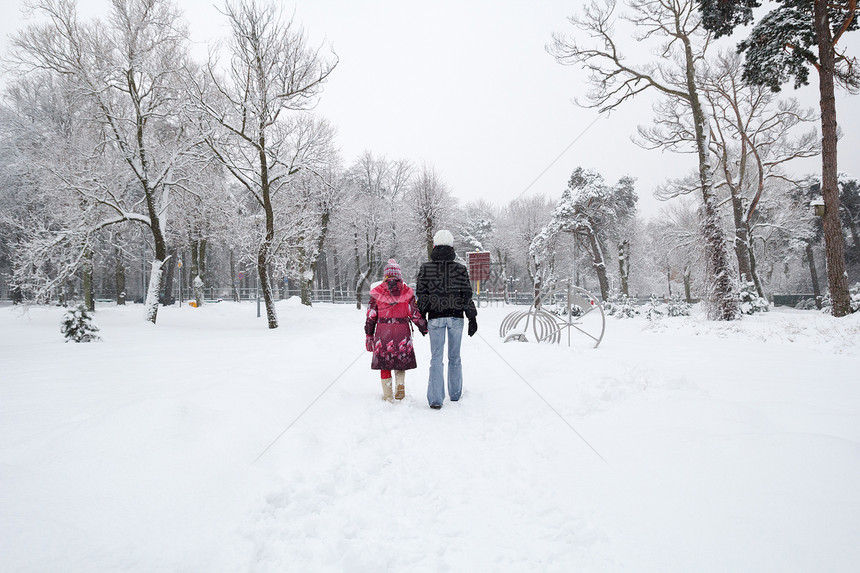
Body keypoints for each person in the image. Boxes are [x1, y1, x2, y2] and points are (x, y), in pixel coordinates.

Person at [416, 230, 478, 409]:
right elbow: (466, 295)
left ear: (435, 245)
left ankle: (435, 399)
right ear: (452, 246)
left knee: (436, 358)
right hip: (456, 317)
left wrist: (422, 316)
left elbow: (422, 295)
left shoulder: (425, 268)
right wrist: (472, 317)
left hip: (435, 318)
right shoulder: (460, 269)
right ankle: (455, 393)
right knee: (455, 357)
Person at [365, 259, 428, 402]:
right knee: (400, 360)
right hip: (402, 331)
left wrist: (369, 334)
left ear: (385, 276)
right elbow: (414, 313)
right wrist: (424, 327)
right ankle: (400, 385)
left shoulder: (377, 292)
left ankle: (388, 395)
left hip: (383, 332)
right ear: (399, 275)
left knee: (385, 364)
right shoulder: (407, 292)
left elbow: (371, 315)